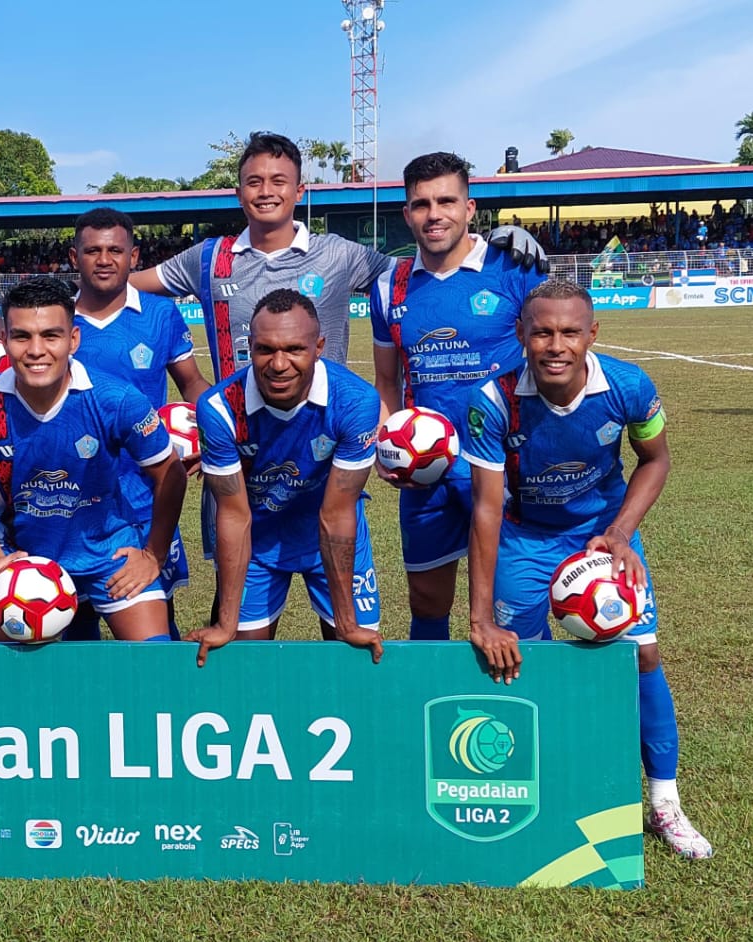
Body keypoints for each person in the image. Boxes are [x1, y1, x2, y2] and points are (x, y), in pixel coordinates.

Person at [462, 278, 713, 860]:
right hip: (525, 538)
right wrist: (480, 617)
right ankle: (543, 789)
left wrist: (620, 532)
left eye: (570, 332)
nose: (556, 346)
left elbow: (656, 459)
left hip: (603, 535)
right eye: (542, 332)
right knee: (516, 661)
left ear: (592, 334)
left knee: (643, 654)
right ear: (521, 334)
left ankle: (665, 803)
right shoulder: (492, 400)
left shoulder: (629, 386)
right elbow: (486, 508)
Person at [133, 132, 548, 383]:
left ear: (299, 192)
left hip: (323, 442)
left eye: (279, 181)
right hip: (238, 439)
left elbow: (432, 268)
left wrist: (492, 243)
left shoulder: (338, 254)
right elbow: (120, 286)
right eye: (254, 182)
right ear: (239, 193)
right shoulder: (208, 258)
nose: (266, 192)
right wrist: (193, 384)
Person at [368, 152, 548, 641]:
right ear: (407, 214)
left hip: (502, 463)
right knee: (427, 600)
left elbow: (554, 354)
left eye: (446, 201)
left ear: (469, 208)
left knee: (511, 601)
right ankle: (431, 689)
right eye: (421, 204)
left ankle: (528, 687)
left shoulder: (514, 267)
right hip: (426, 466)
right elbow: (387, 381)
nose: (434, 214)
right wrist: (386, 443)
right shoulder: (388, 286)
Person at [0, 277, 186, 643]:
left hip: (108, 552)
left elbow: (170, 473)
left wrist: (153, 554)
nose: (36, 350)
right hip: (19, 555)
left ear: (73, 339)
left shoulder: (117, 400)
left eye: (51, 336)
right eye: (22, 336)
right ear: (5, 340)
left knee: (153, 662)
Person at [189, 289, 384, 667]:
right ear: (249, 347)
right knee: (244, 664)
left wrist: (347, 622)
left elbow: (337, 513)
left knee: (354, 660)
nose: (279, 364)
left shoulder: (356, 401)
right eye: (265, 350)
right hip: (258, 541)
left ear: (319, 347)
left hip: (330, 533)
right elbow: (233, 514)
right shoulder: (219, 408)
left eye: (294, 349)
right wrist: (225, 623)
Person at [68, 206, 211, 638]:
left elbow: (192, 383)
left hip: (146, 495)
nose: (104, 259)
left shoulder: (161, 314)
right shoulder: (55, 319)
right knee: (72, 625)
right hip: (72, 499)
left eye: (115, 250)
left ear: (134, 256)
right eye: (92, 250)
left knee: (155, 618)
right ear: (74, 257)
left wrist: (217, 433)